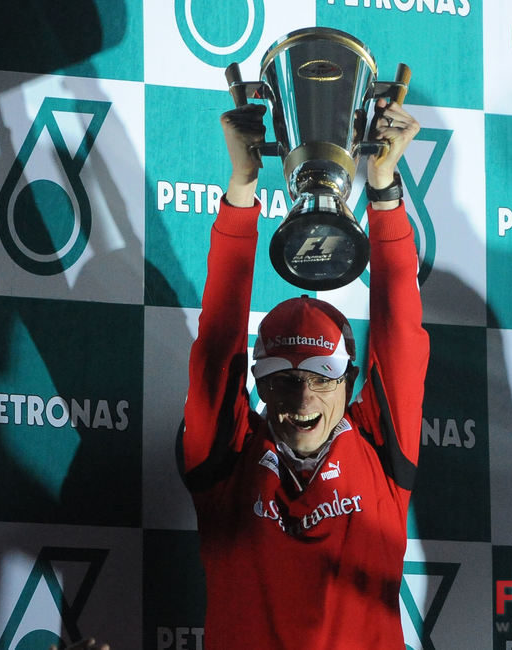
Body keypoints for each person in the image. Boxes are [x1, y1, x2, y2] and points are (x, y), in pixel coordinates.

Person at [181, 97, 428, 649]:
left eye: (320, 373)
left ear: (352, 377)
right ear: (258, 383)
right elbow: (217, 345)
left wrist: (383, 185)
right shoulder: (225, 461)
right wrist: (242, 187)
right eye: (281, 376)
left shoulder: (381, 451)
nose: (301, 395)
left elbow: (402, 334)